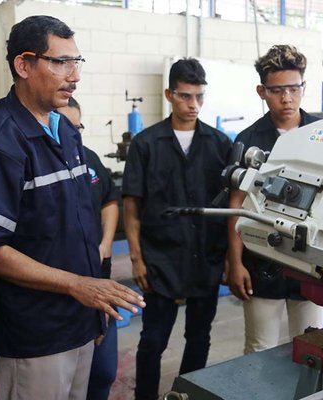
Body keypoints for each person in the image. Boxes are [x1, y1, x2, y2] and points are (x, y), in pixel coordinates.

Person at [0, 15, 144, 400]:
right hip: (37, 330)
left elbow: (77, 226)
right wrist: (80, 286)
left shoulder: (64, 131)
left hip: (80, 318)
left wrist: (92, 308)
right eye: (60, 62)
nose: (74, 75)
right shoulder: (0, 139)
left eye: (77, 61)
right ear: (23, 65)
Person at [122, 58, 231, 400]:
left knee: (199, 338)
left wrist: (229, 257)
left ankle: (187, 396)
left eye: (199, 96)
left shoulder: (219, 144)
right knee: (153, 340)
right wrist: (138, 260)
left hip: (206, 258)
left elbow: (231, 207)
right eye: (185, 96)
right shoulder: (146, 144)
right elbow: (131, 205)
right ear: (170, 94)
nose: (193, 105)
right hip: (160, 260)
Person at [227, 45, 323, 354]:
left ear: (303, 88)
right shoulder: (249, 141)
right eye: (277, 90)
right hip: (262, 258)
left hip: (311, 261)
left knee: (312, 349)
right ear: (262, 91)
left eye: (294, 89)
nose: (287, 98)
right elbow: (235, 206)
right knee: (259, 348)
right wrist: (235, 262)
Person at [57, 97, 121, 400]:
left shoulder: (89, 157)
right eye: (63, 126)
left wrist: (106, 243)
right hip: (56, 295)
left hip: (99, 287)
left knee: (103, 372)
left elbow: (109, 198)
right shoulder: (27, 160)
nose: (72, 134)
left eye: (77, 127)